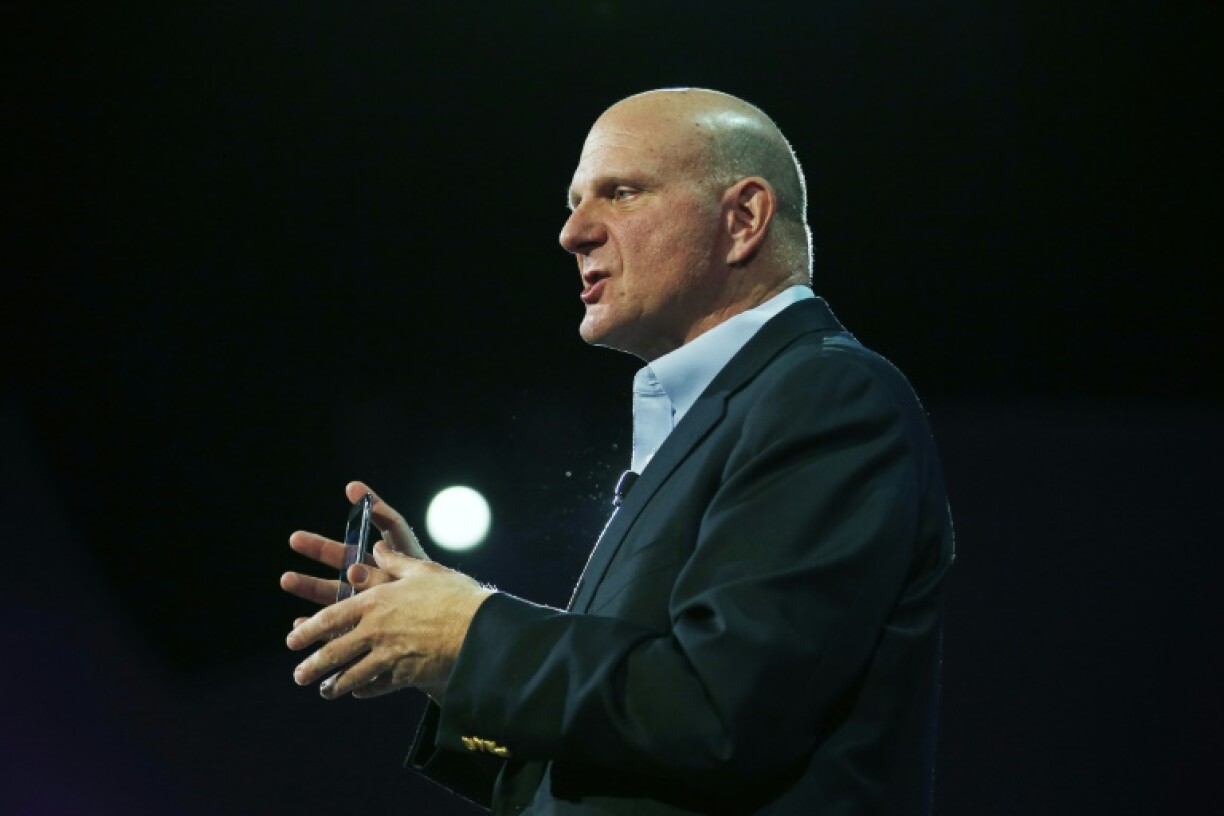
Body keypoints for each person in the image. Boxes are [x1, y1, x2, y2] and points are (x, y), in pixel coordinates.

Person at [282, 88, 954, 815]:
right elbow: (624, 736)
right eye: (573, 202)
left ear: (744, 219)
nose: (573, 233)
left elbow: (719, 710)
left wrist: (471, 634)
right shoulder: (716, 420)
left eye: (622, 193)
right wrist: (445, 661)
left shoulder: (828, 393)